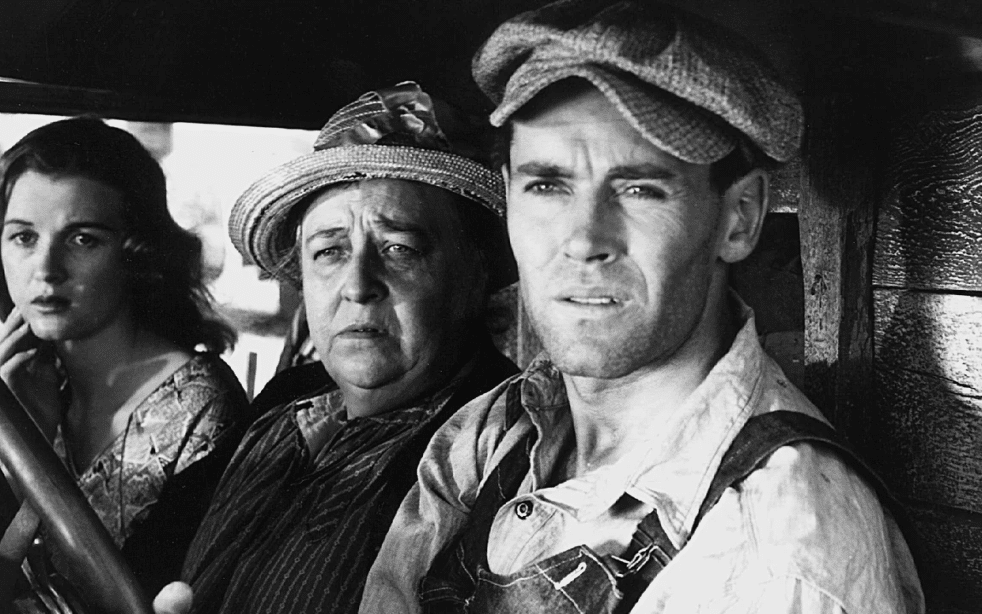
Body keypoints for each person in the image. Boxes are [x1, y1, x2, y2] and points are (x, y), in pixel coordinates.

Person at [360, 2, 925, 613]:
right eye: (547, 185)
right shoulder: (495, 431)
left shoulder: (773, 557)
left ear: (739, 218)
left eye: (638, 189)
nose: (583, 240)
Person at [155, 82, 519, 614]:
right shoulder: (285, 403)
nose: (357, 285)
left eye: (399, 249)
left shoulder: (498, 447)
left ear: (475, 273)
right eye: (329, 251)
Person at [0, 117, 251, 599]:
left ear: (137, 252)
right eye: (23, 237)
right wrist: (26, 439)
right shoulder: (36, 384)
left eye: (82, 239)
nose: (46, 269)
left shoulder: (198, 406)